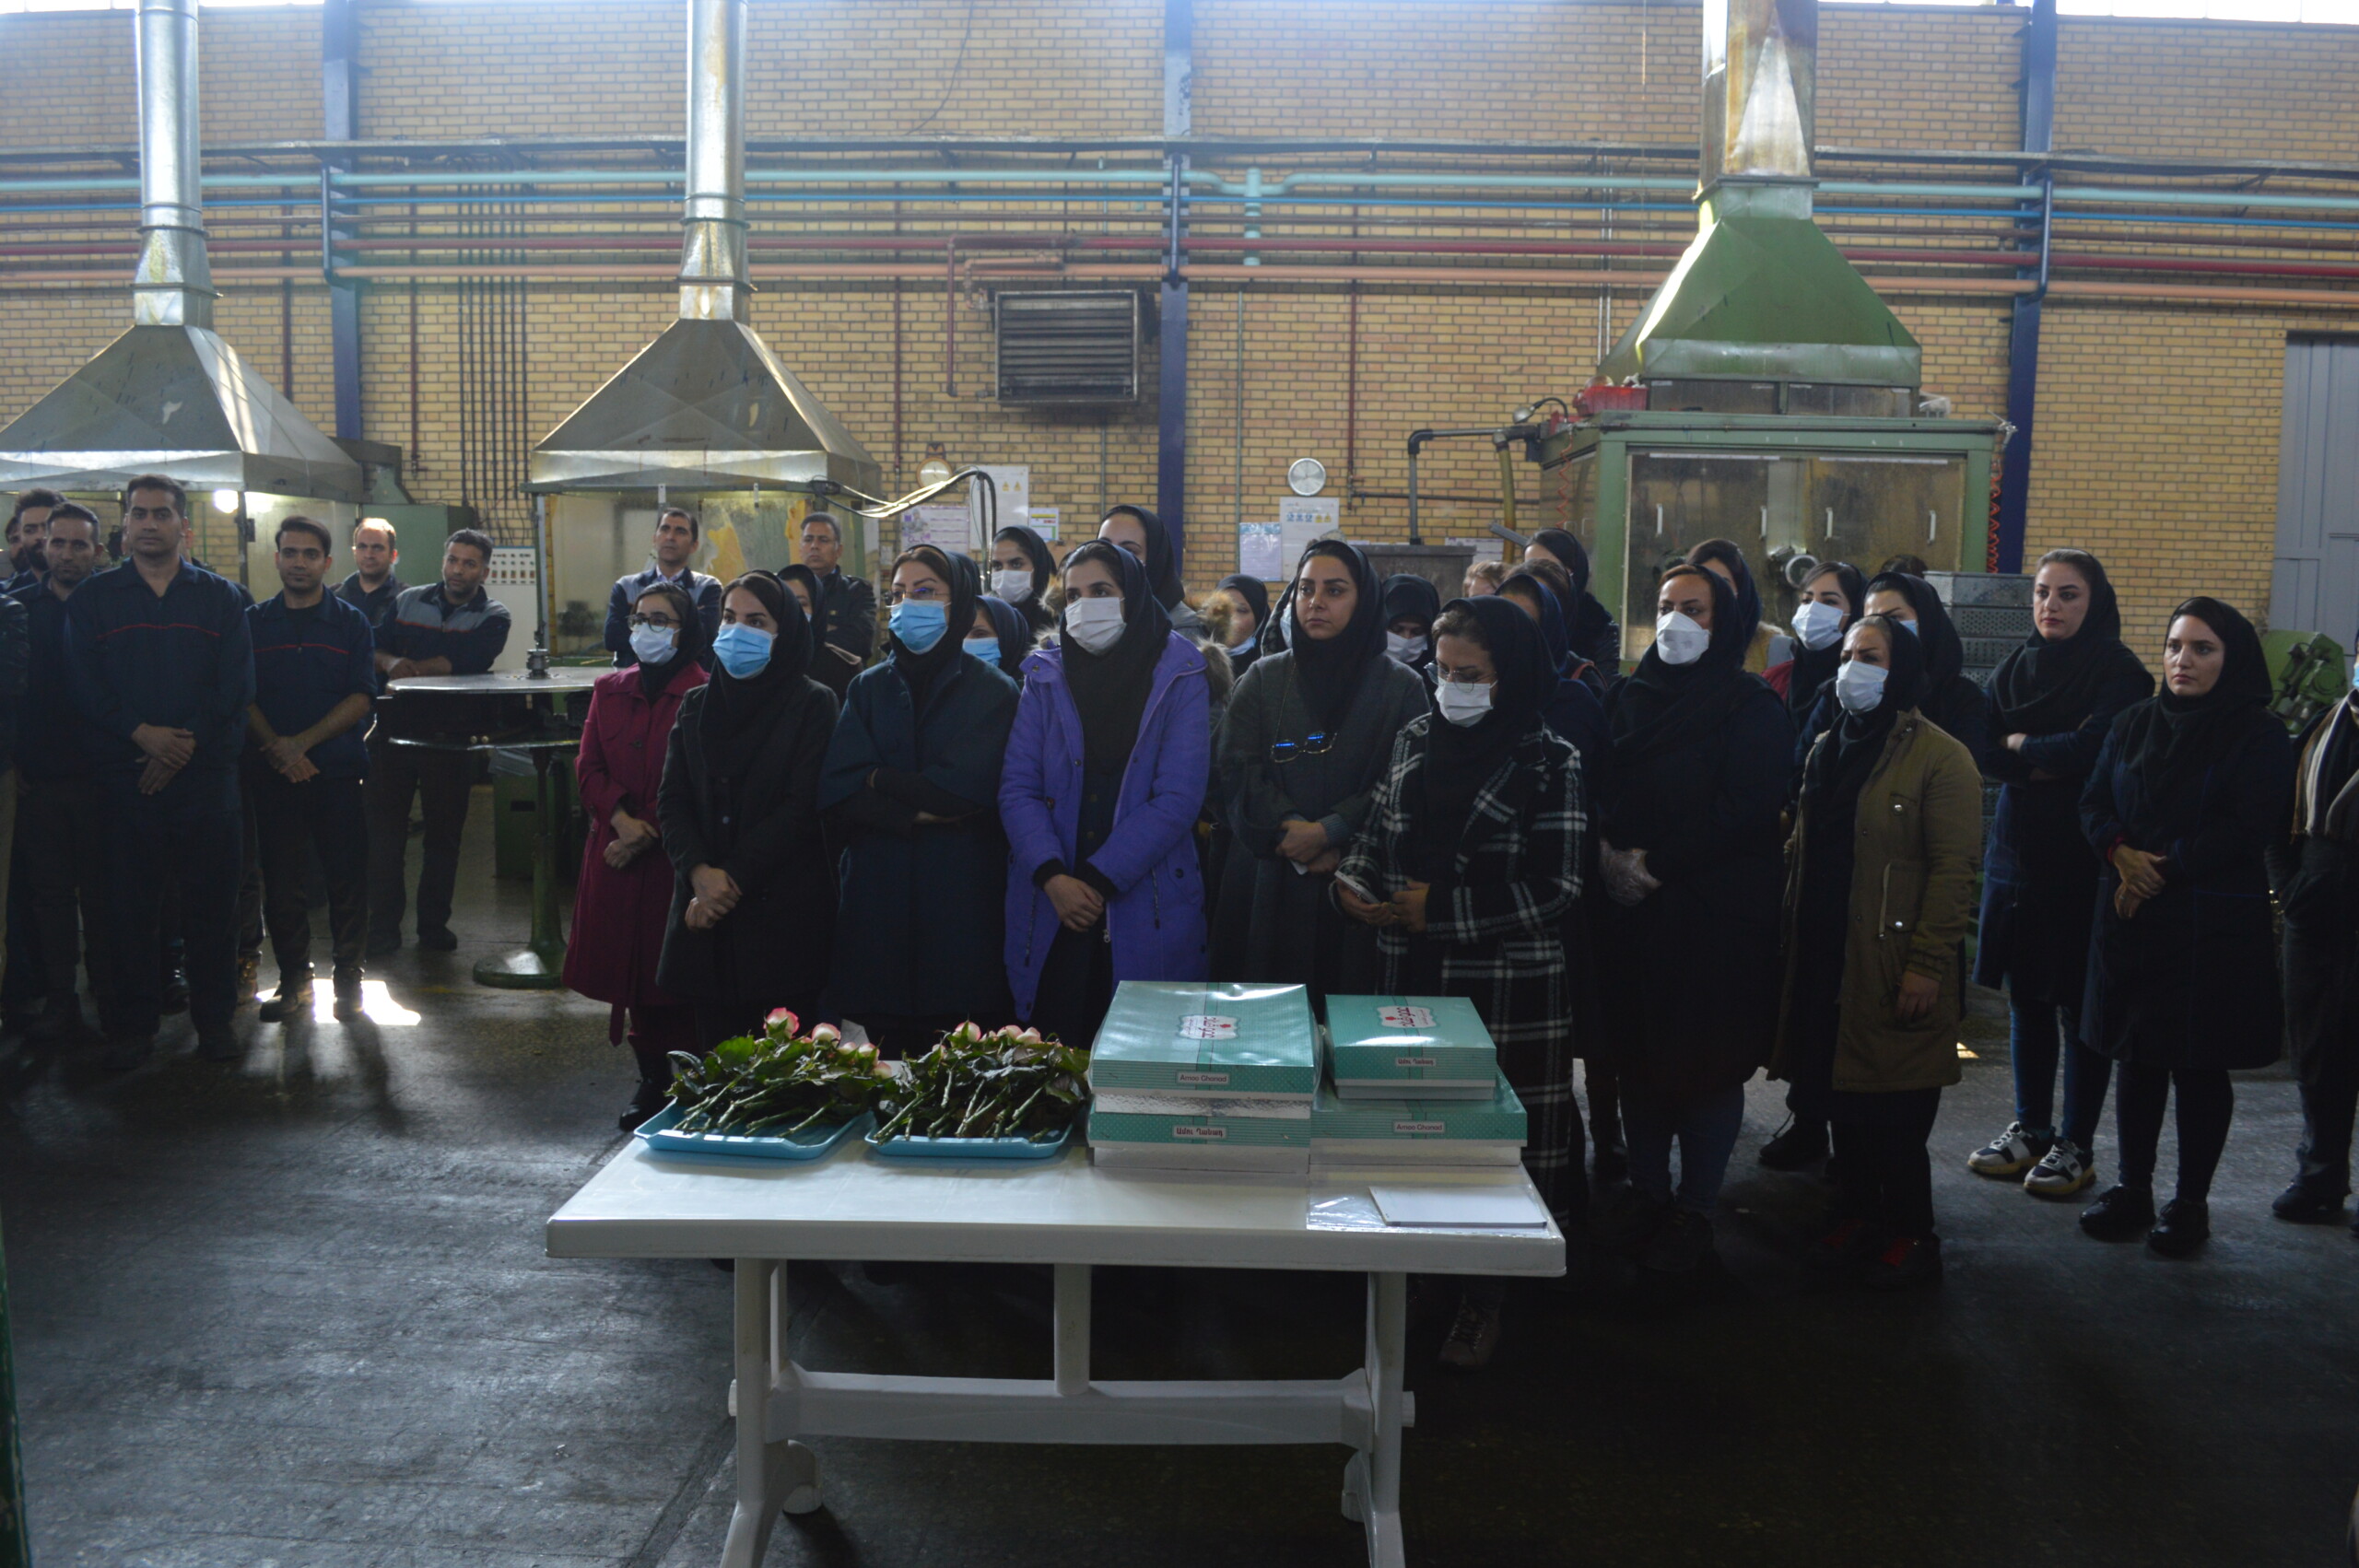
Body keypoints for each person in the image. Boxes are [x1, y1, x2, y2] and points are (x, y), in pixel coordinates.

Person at [1334, 596, 1587, 1369]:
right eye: (1444, 672)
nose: (1453, 688)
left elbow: (1558, 888)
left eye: (1471, 675)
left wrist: (1441, 910)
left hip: (1502, 989)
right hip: (1411, 977)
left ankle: (1486, 1296)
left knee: (1492, 1150)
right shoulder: (1416, 737)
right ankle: (1419, 1277)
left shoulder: (1551, 761)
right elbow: (1376, 833)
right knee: (1418, 1139)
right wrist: (1353, 882)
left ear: (1511, 676)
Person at [1772, 615, 1981, 1289]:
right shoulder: (1827, 745)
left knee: (1896, 1115)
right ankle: (1858, 1216)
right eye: (1848, 655)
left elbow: (1953, 871)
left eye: (1871, 657)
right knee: (1846, 1103)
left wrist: (1926, 964)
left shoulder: (1942, 757)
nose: (1852, 669)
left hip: (1892, 961)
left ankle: (1913, 1235)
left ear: (1904, 670)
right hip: (1829, 956)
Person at [2077, 598, 2291, 1257]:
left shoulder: (2258, 733)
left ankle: (2190, 1203)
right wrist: (2120, 853)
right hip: (2133, 919)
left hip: (2208, 924)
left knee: (2198, 1066)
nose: (2183, 660)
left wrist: (2156, 870)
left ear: (2232, 658)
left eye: (2202, 648)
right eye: (2174, 646)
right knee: (2137, 1057)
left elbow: (2247, 825)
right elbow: (2094, 801)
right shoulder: (2133, 722)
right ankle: (2132, 1189)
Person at [1592, 566, 1788, 1281]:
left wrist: (1659, 864)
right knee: (1640, 1057)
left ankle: (1694, 1211)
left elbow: (1748, 808)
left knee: (1704, 1067)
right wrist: (1609, 853)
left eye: (1695, 609)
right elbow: (1599, 783)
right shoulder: (1628, 696)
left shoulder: (1750, 706)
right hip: (1635, 915)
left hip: (1714, 919)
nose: (1677, 621)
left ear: (1725, 622)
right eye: (1666, 606)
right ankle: (1647, 1193)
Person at [1966, 549, 2152, 1197]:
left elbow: (2093, 750)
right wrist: (2040, 756)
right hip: (2017, 850)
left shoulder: (2119, 671)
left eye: (2068, 594)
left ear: (2094, 602)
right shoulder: (2016, 668)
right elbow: (1984, 748)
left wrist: (2024, 746)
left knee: (2078, 1002)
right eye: (2043, 592)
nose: (2051, 605)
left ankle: (2076, 1142)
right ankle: (2032, 1128)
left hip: (2084, 855)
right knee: (2027, 996)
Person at [66, 474, 252, 1069]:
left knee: (211, 911)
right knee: (129, 913)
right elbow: (83, 685)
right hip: (126, 782)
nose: (150, 523)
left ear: (183, 525)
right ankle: (133, 1029)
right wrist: (142, 735)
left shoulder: (222, 598)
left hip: (205, 782)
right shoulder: (95, 600)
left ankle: (214, 1023)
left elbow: (234, 686)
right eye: (140, 514)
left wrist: (178, 748)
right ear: (124, 527)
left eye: (162, 514)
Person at [1001, 540, 1210, 1047]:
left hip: (1141, 895)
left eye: (1101, 591)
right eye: (1073, 596)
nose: (1085, 606)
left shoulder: (1181, 672)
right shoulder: (1045, 674)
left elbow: (1177, 797)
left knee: (1141, 1056)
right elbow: (1018, 787)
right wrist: (1053, 876)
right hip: (1055, 900)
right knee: (1052, 1053)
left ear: (1132, 596)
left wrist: (1096, 880)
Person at [819, 544, 1020, 1055]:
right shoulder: (867, 688)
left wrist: (878, 777)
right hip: (877, 900)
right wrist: (916, 811)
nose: (908, 604)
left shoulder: (993, 691)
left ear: (960, 600)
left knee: (962, 1061)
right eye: (898, 593)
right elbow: (840, 790)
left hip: (961, 900)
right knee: (886, 1063)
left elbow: (962, 791)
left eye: (925, 591)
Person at [1211, 540, 1428, 1005]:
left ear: (1363, 600)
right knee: (1265, 1016)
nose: (1316, 603)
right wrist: (1290, 829)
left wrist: (1331, 830)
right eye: (1306, 589)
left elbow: (1405, 783)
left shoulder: (1401, 687)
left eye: (1335, 590)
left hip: (1357, 881)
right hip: (1267, 876)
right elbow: (1233, 767)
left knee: (1350, 1015)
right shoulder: (1264, 678)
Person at [656, 575, 838, 1052]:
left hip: (780, 918)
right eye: (730, 618)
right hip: (707, 917)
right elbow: (672, 799)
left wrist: (728, 879)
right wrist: (698, 872)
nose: (738, 632)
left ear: (786, 633)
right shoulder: (697, 704)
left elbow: (801, 807)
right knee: (716, 1066)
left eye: (756, 622)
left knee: (787, 1068)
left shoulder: (813, 703)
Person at [568, 582, 710, 1123]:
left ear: (685, 630)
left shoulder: (704, 693)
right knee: (631, 978)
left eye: (660, 620)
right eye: (638, 618)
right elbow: (588, 768)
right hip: (615, 853)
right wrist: (622, 821)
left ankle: (694, 1080)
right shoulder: (609, 689)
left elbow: (699, 783)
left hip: (674, 860)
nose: (646, 629)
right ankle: (652, 1079)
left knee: (673, 975)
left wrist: (646, 830)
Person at [242, 518, 377, 1024]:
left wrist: (301, 744)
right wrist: (278, 749)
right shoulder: (253, 623)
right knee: (282, 885)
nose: (299, 562)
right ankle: (295, 982)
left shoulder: (350, 623)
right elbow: (241, 695)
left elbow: (361, 696)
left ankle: (349, 982)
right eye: (290, 552)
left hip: (336, 775)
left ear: (327, 562)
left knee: (347, 881)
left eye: (310, 553)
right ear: (277, 558)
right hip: (273, 776)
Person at [365, 529, 511, 954]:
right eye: (452, 560)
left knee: (443, 840)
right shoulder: (407, 601)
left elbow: (464, 662)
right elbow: (374, 647)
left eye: (469, 563)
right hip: (393, 736)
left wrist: (405, 669)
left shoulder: (493, 616)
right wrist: (392, 660)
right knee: (385, 838)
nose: (457, 570)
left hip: (451, 740)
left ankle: (433, 928)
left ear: (484, 572)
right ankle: (383, 930)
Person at [9, 505, 110, 1043]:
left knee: (104, 896)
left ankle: (110, 995)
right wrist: (13, 761)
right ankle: (60, 999)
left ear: (97, 550)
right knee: (49, 898)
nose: (67, 554)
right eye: (58, 543)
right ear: (42, 546)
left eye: (79, 544)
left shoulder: (113, 606)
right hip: (41, 781)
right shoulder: (19, 609)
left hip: (103, 781)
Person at [2274, 641, 2359, 1232]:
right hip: (2317, 912)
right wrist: (2289, 888)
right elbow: (2275, 815)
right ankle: (2320, 1176)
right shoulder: (2320, 727)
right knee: (2318, 1051)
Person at [603, 506, 721, 666]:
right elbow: (613, 638)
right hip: (634, 676)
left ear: (694, 545)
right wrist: (677, 629)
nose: (670, 537)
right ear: (654, 539)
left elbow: (705, 636)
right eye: (665, 529)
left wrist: (643, 631)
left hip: (688, 679)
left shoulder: (708, 588)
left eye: (680, 531)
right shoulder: (626, 586)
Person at [1765, 561, 1864, 728]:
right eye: (1807, 600)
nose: (1812, 611)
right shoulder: (1775, 679)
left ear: (1856, 612)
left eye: (1830, 601)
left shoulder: (1864, 686)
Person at [800, 510, 875, 699]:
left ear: (838, 550)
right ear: (801, 547)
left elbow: (859, 642)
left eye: (823, 540)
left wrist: (803, 634)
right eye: (808, 539)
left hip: (844, 693)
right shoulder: (784, 590)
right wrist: (828, 629)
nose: (814, 546)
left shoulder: (857, 591)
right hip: (797, 693)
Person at [1523, 528, 1619, 674]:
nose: (1538, 577)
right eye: (1530, 567)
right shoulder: (1515, 615)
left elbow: (1606, 681)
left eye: (1549, 568)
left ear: (1573, 570)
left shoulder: (1597, 624)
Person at [1097, 504, 1204, 636]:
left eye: (1129, 550)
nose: (1112, 558)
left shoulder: (1183, 631)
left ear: (1155, 559)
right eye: (1104, 547)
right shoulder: (1091, 617)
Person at [336, 519, 406, 632]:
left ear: (392, 555)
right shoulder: (334, 598)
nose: (369, 555)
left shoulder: (406, 601)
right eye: (362, 547)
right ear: (355, 552)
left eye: (377, 548)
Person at [990, 524, 1058, 635]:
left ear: (1039, 566)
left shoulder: (1063, 623)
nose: (1005, 573)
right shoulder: (987, 619)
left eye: (1016, 564)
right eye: (997, 566)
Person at [1380, 573, 1441, 683]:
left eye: (1417, 631)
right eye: (1397, 629)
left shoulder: (1439, 676)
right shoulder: (1360, 668)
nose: (1406, 638)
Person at [1213, 573, 1270, 680]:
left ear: (1259, 617)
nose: (1231, 619)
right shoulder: (1195, 659)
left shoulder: (1272, 667)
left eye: (1242, 610)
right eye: (1223, 609)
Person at [4, 490, 58, 595]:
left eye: (47, 528)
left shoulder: (90, 589)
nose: (40, 536)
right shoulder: (5, 596)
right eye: (30, 530)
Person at [968, 594, 1033, 677]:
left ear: (1009, 638)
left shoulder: (1039, 684)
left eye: (980, 634)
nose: (964, 644)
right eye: (960, 634)